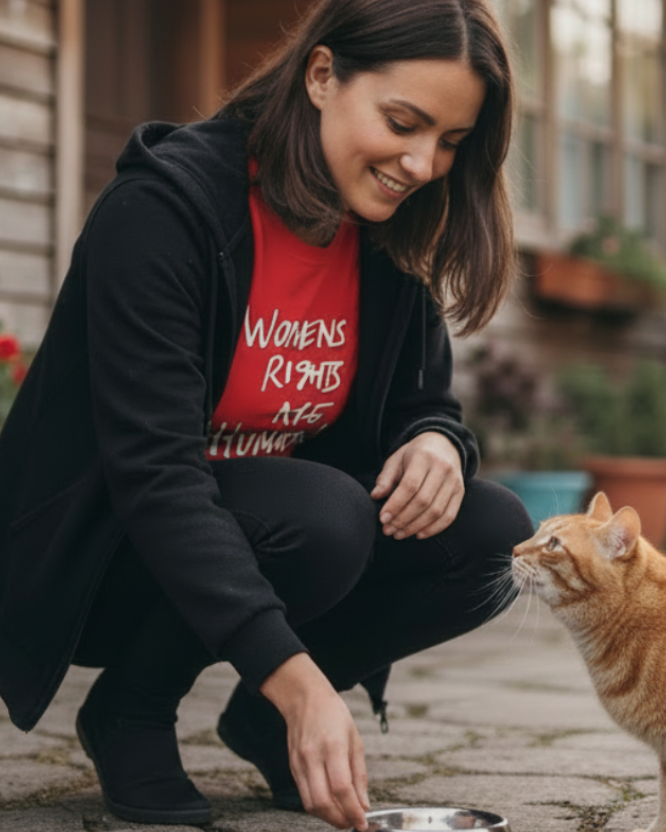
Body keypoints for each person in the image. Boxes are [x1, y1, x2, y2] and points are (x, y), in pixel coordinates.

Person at [0, 0, 533, 829]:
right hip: (110, 563)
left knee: (488, 531)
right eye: (404, 122)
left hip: (262, 541)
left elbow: (423, 403)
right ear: (322, 76)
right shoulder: (166, 213)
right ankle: (130, 711)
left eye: (452, 142)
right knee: (324, 519)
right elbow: (156, 474)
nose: (425, 163)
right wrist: (303, 681)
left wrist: (436, 440)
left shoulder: (384, 234)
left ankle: (258, 720)